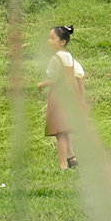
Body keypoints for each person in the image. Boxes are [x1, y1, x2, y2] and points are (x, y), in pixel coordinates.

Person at [39, 25, 89, 170]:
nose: (49, 41)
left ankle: (62, 165)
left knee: (59, 130)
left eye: (52, 38)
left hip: (58, 95)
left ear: (62, 42)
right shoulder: (70, 57)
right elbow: (80, 76)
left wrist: (40, 84)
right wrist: (81, 99)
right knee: (65, 127)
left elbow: (53, 79)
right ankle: (72, 157)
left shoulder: (56, 58)